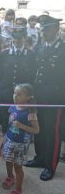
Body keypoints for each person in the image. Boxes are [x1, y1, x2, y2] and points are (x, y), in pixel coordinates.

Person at [25, 15, 65, 181]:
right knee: (38, 129)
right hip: (39, 96)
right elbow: (35, 71)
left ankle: (51, 165)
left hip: (55, 99)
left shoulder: (62, 49)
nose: (43, 32)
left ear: (55, 29)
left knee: (52, 133)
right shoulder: (41, 47)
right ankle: (40, 157)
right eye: (42, 29)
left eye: (46, 29)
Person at [2, 84, 39, 194]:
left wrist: (22, 126)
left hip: (21, 145)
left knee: (18, 167)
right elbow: (9, 123)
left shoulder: (30, 113)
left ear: (28, 97)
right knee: (8, 160)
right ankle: (10, 177)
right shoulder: (13, 107)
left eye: (19, 94)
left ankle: (18, 189)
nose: (15, 96)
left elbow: (36, 130)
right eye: (14, 93)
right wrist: (4, 137)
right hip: (9, 139)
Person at [0, 27, 36, 133]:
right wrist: (0, 88)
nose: (17, 41)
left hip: (22, 95)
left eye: (20, 38)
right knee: (5, 117)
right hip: (6, 92)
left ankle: (18, 143)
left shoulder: (30, 55)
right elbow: (0, 73)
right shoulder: (5, 54)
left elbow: (32, 75)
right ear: (12, 39)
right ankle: (5, 139)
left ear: (24, 39)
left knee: (20, 118)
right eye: (15, 38)